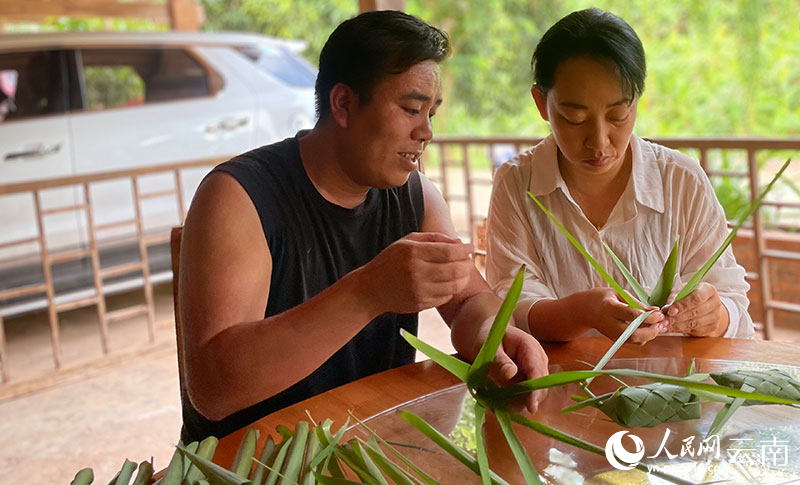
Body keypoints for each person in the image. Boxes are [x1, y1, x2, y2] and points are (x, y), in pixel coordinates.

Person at [178, 10, 548, 442]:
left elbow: (467, 301)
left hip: (366, 446)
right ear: (343, 104)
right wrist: (368, 292)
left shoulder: (417, 197)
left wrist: (493, 335)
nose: (426, 132)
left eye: (431, 113)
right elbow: (215, 389)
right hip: (254, 462)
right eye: (411, 109)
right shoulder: (239, 196)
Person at [485, 8, 754, 345]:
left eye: (618, 115)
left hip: (668, 390)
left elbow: (734, 306)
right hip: (563, 392)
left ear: (637, 101)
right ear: (542, 103)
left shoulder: (680, 180)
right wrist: (581, 313)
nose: (599, 141)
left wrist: (714, 315)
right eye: (574, 118)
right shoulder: (517, 183)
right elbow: (510, 307)